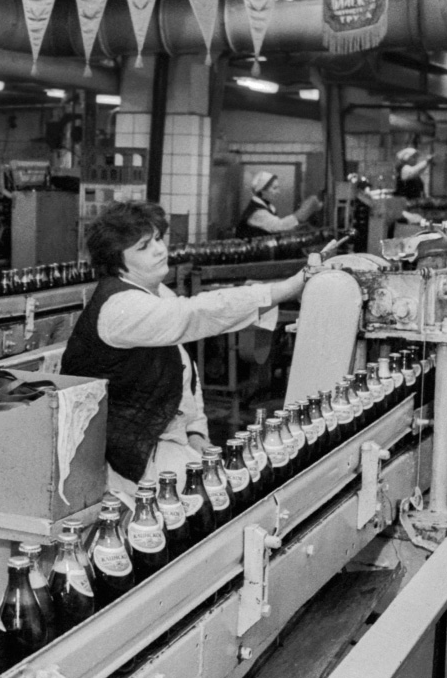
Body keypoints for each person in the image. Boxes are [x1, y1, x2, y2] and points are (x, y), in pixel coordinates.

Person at [61, 202, 307, 498]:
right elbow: (196, 314)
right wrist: (288, 287)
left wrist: (196, 432)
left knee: (239, 487)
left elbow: (184, 376)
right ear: (118, 260)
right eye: (143, 246)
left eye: (158, 239)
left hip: (165, 438)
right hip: (124, 454)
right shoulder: (119, 307)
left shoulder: (157, 293)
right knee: (222, 501)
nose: (159, 250)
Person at [236, 171, 322, 238]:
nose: (278, 192)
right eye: (274, 188)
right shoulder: (257, 212)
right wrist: (305, 210)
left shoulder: (268, 207)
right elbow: (279, 226)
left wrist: (298, 227)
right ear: (262, 191)